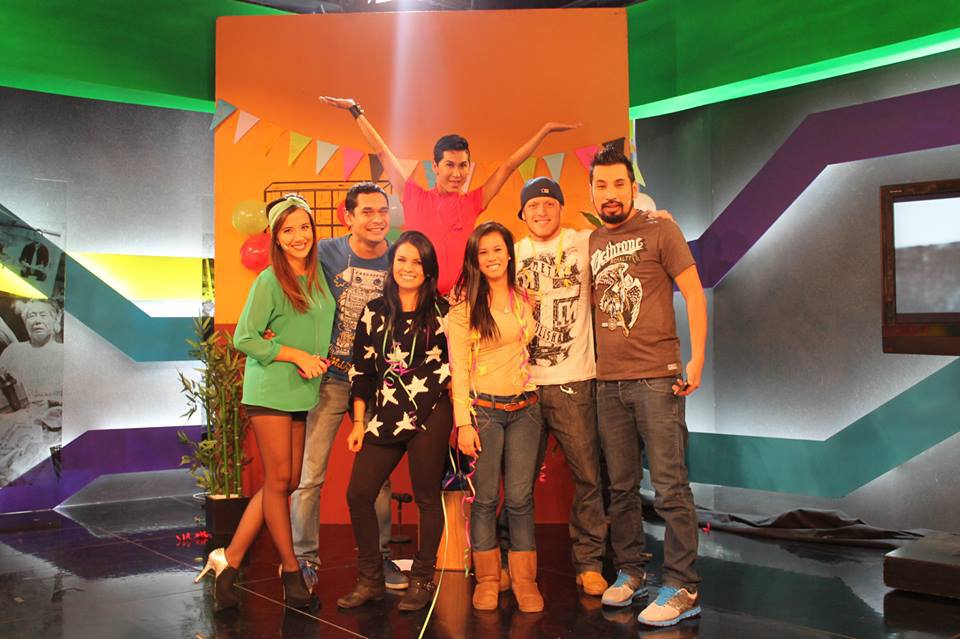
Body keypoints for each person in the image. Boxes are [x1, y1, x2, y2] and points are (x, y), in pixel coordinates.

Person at [587, 147, 707, 627]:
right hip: (607, 383)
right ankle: (631, 571)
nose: (610, 193)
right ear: (591, 191)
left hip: (657, 378)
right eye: (601, 185)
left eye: (619, 184)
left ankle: (682, 585)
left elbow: (694, 293)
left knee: (670, 487)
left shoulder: (661, 230)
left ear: (633, 188)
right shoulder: (592, 240)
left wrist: (698, 358)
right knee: (620, 488)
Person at [197, 194, 334, 611]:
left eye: (304, 227)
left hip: (300, 391)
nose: (298, 236)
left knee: (285, 482)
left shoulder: (317, 275)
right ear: (275, 237)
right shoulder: (270, 280)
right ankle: (291, 573)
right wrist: (297, 355)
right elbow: (244, 337)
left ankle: (229, 559)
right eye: (288, 230)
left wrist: (315, 358)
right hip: (271, 388)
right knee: (279, 481)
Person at [319, 95, 578, 294]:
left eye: (463, 165)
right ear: (435, 166)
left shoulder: (473, 202)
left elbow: (508, 166)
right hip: (418, 300)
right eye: (449, 165)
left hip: (459, 304)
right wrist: (355, 111)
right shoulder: (414, 196)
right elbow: (382, 152)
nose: (457, 173)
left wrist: (544, 131)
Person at [288, 182, 407, 590]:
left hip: (378, 384)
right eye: (367, 211)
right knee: (310, 476)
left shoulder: (398, 256)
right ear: (348, 216)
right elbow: (289, 287)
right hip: (331, 378)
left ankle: (381, 559)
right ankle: (303, 561)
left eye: (382, 211)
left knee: (378, 479)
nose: (377, 219)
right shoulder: (326, 253)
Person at [336, 231, 452, 612]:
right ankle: (370, 579)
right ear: (391, 264)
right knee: (358, 493)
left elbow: (460, 365)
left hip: (430, 411)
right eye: (401, 259)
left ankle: (422, 578)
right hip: (386, 412)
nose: (408, 268)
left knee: (426, 497)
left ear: (428, 269)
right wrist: (358, 422)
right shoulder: (374, 310)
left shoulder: (445, 312)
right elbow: (362, 370)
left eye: (417, 261)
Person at [449, 222, 543, 613]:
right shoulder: (464, 308)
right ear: (474, 259)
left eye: (497, 249)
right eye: (482, 252)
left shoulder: (525, 298)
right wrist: (463, 423)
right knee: (485, 498)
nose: (491, 258)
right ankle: (489, 578)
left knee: (520, 499)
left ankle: (524, 580)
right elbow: (459, 369)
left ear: (509, 253)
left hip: (526, 410)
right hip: (484, 411)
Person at [0, 299, 64, 405]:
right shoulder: (12, 352)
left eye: (43, 315)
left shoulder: (66, 353)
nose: (37, 321)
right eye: (31, 316)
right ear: (25, 322)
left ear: (55, 319)